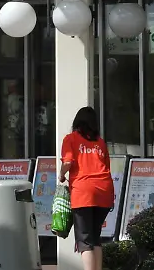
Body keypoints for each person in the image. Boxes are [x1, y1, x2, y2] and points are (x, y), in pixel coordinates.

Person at [59, 106, 115, 270]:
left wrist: (62, 175)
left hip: (83, 192)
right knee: (95, 237)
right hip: (104, 191)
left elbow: (67, 163)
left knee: (84, 239)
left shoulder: (70, 139)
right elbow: (106, 166)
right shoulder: (100, 142)